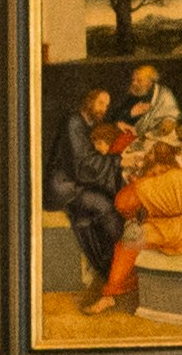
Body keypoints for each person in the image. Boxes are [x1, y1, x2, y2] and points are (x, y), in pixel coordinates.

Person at [94, 141, 182, 311]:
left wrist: (141, 210)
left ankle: (110, 294)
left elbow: (122, 205)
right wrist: (179, 207)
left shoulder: (143, 183)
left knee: (126, 246)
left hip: (156, 230)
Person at [49, 89, 128, 297]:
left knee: (115, 198)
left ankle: (117, 264)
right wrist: (118, 161)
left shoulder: (85, 122)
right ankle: (112, 267)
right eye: (101, 103)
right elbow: (83, 166)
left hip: (77, 182)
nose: (104, 109)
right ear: (89, 101)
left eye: (106, 105)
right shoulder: (73, 123)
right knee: (105, 206)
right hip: (65, 187)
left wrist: (114, 128)